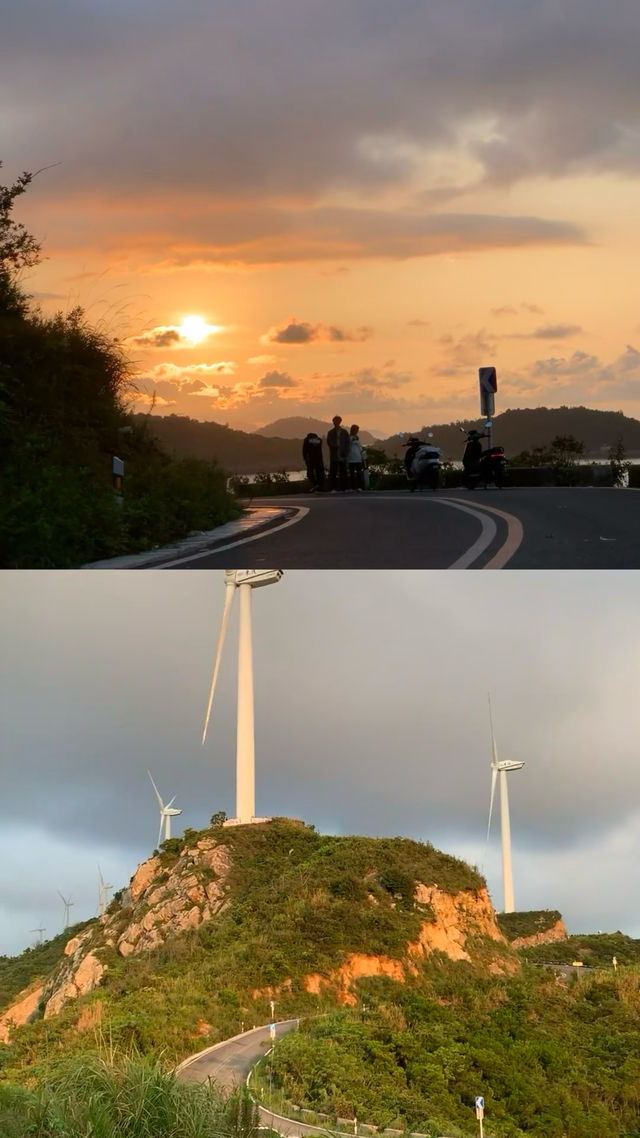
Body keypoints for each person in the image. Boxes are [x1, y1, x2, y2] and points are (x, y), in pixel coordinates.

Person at [326, 415, 349, 491]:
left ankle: (344, 487)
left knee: (343, 472)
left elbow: (347, 443)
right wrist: (335, 446)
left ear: (340, 422)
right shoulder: (330, 432)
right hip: (334, 456)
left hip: (342, 455)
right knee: (333, 472)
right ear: (333, 422)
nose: (336, 422)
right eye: (335, 421)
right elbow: (329, 442)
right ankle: (333, 488)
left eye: (337, 421)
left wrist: (345, 452)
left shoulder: (344, 432)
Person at [346, 424, 366, 491]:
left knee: (359, 473)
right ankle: (352, 487)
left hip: (358, 458)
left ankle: (359, 487)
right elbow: (347, 445)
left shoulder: (357, 438)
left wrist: (362, 455)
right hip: (351, 458)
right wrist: (352, 439)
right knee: (352, 474)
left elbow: (360, 447)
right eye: (356, 430)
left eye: (357, 430)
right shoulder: (349, 437)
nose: (357, 431)